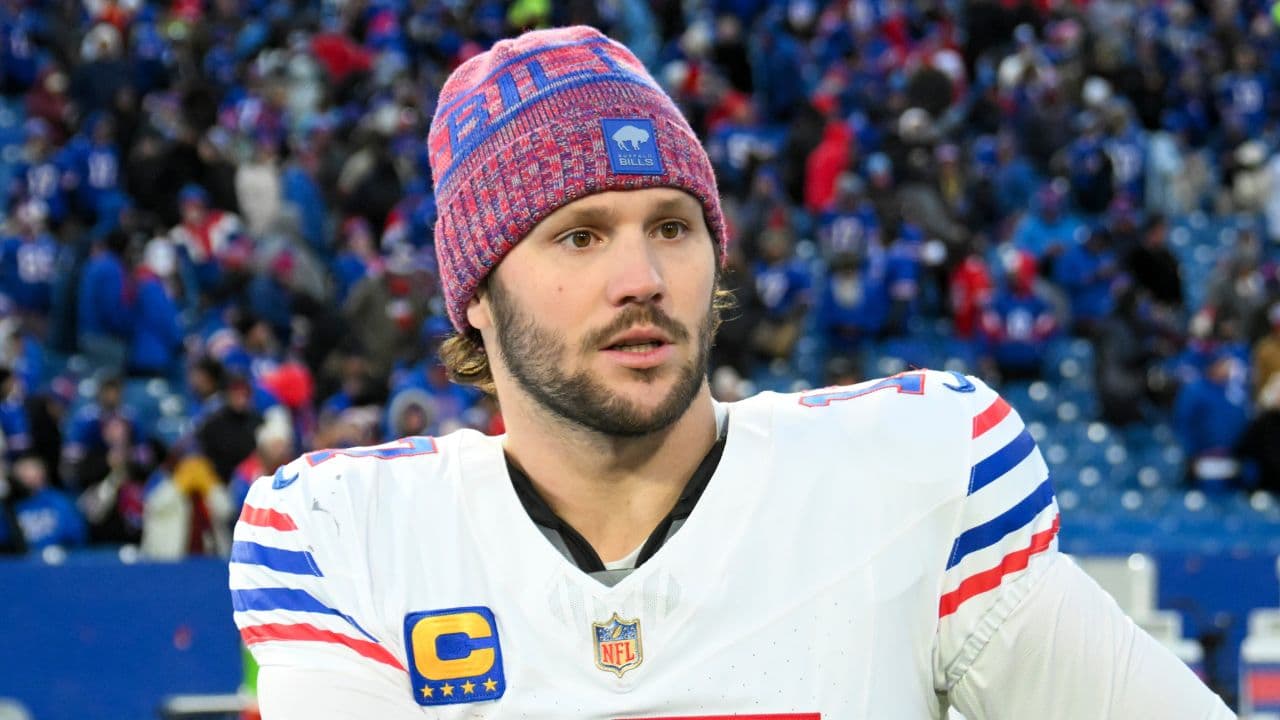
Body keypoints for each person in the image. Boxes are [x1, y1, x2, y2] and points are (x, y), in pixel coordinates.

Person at [230, 26, 1231, 719]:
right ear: (477, 294)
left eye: (672, 226)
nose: (642, 277)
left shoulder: (906, 480)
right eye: (579, 236)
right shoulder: (349, 537)